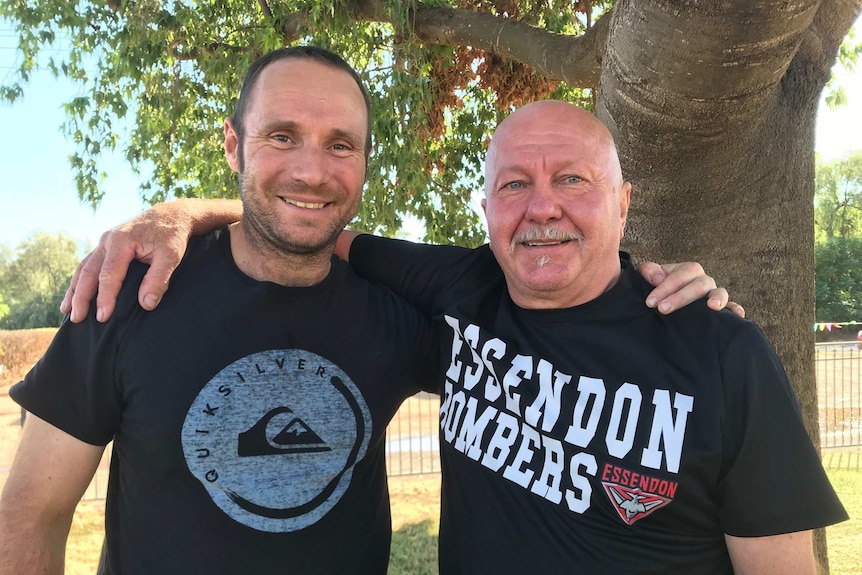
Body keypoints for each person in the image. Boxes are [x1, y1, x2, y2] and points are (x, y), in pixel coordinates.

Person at [0, 49, 728, 575]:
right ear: (233, 144)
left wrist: (646, 285)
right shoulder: (130, 293)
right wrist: (181, 213)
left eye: (340, 145)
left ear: (366, 163)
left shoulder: (401, 315)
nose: (312, 169)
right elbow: (31, 513)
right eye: (281, 136)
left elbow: (554, 291)